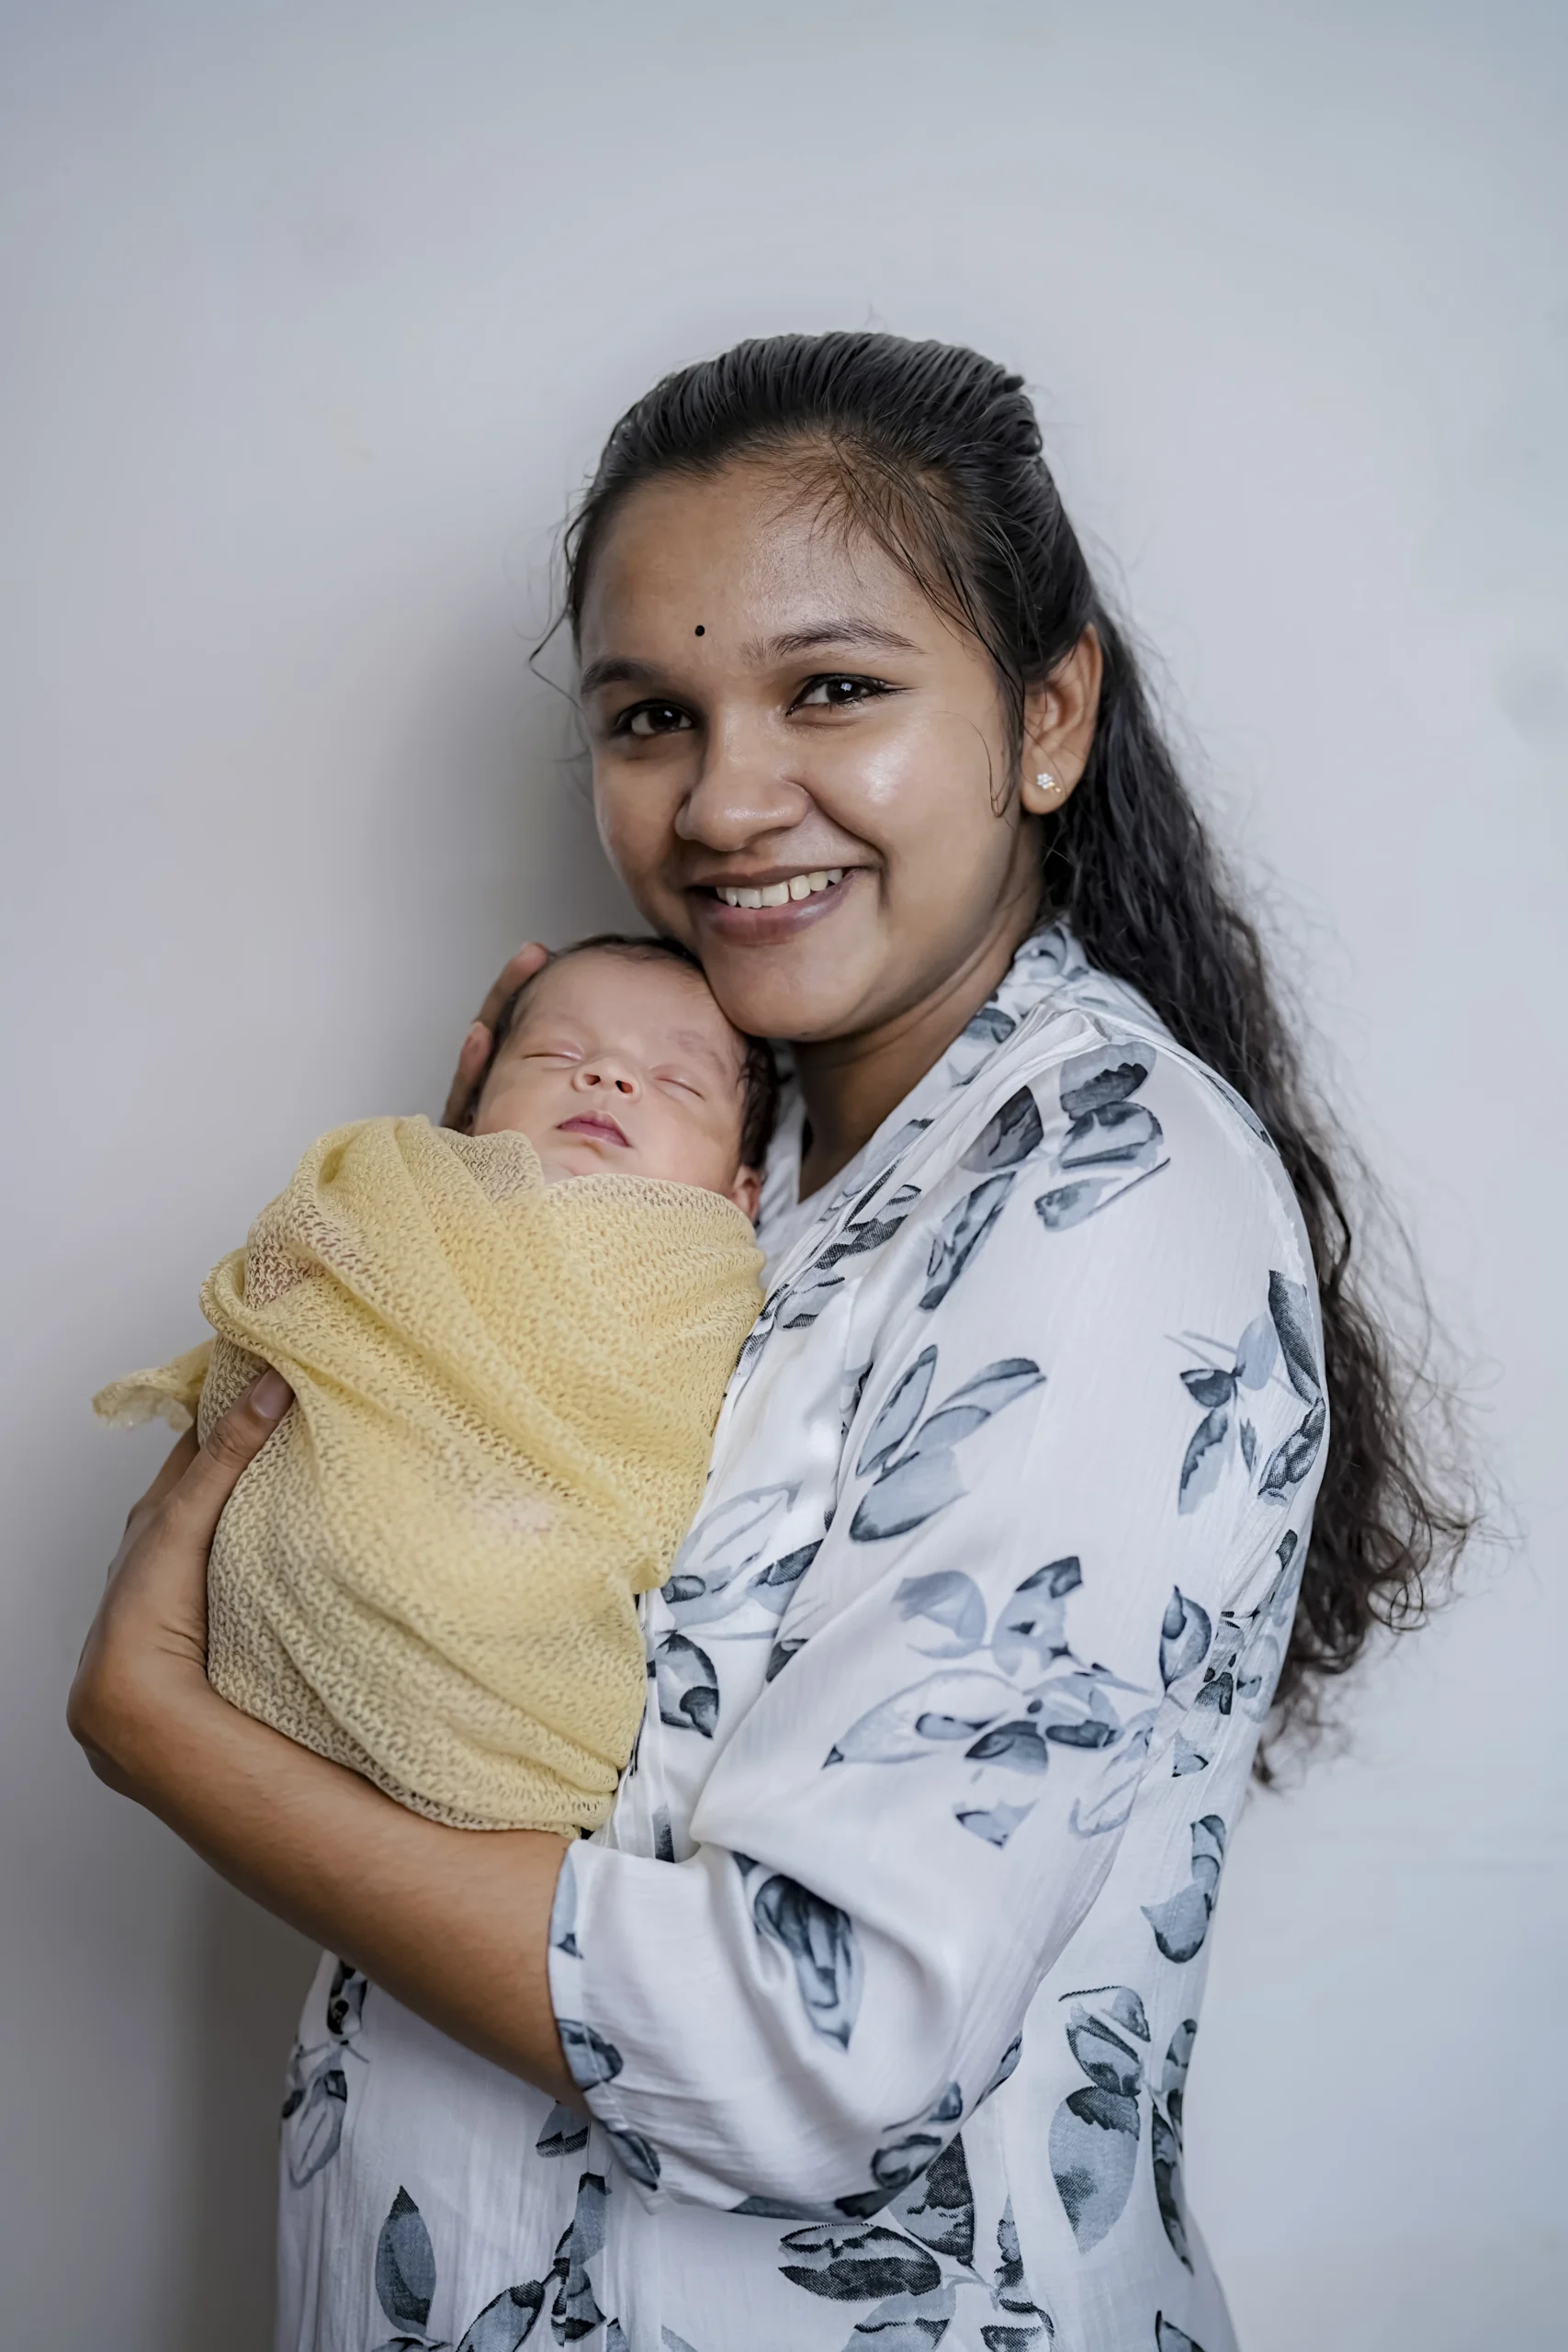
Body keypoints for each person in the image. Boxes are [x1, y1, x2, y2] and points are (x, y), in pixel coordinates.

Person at [68, 333, 1472, 2352]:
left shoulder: (1104, 1208)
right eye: (654, 714)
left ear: (1046, 717)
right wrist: (467, 1267)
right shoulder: (734, 1153)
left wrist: (164, 1731)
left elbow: (813, 2049)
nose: (725, 800)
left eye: (832, 689)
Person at [92, 937, 773, 1835]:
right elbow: (285, 1312)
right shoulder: (397, 1196)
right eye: (558, 1054)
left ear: (742, 1196)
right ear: (474, 1109)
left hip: (526, 1630)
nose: (607, 1078)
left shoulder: (705, 1288)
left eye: (676, 1082)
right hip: (317, 1548)